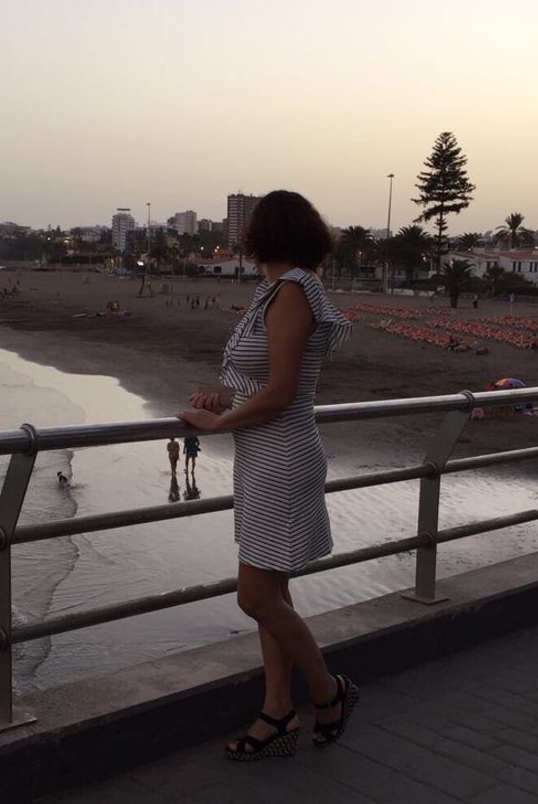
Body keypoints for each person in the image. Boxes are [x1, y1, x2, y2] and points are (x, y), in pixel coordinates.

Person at [179, 189, 358, 762]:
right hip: (263, 455)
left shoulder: (292, 293)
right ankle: (277, 711)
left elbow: (283, 394)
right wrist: (226, 396)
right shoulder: (274, 293)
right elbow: (270, 384)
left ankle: (329, 694)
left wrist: (217, 420)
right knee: (273, 593)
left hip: (281, 458)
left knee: (254, 596)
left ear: (260, 235)